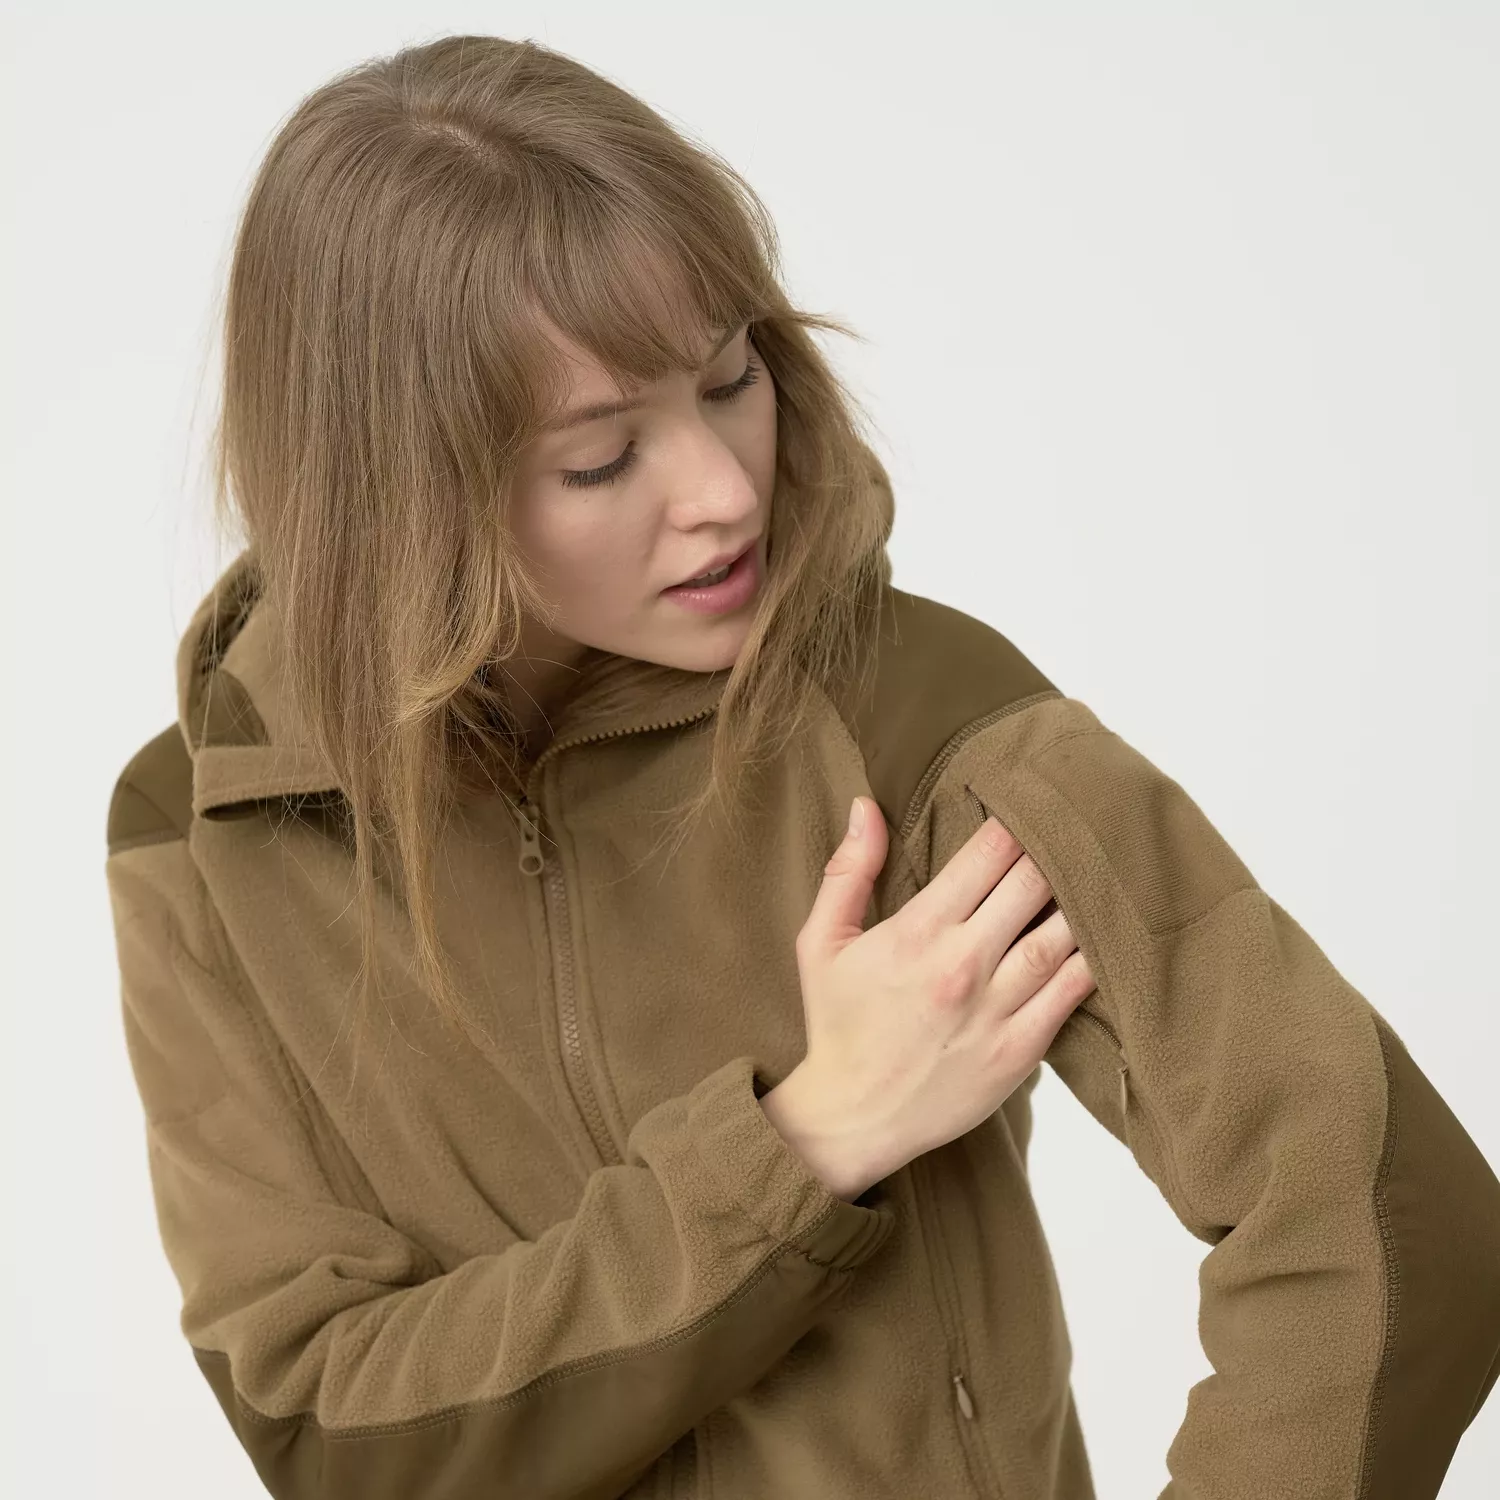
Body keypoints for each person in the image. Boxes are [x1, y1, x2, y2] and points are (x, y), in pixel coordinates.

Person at [102, 33, 1500, 1500]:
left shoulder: (909, 715)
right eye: (599, 459)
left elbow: (1385, 1227)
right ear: (395, 490)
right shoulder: (206, 828)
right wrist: (810, 1141)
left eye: (730, 378)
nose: (722, 491)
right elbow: (332, 1436)